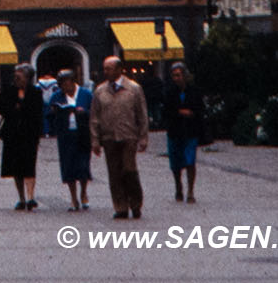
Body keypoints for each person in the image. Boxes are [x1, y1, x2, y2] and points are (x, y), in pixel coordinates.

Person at [91, 55, 149, 219]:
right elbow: (94, 117)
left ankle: (136, 203)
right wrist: (95, 140)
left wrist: (143, 137)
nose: (105, 72)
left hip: (128, 135)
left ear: (119, 69)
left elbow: (142, 114)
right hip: (109, 137)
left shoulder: (133, 88)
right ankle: (120, 206)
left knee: (129, 170)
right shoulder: (100, 91)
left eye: (109, 69)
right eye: (104, 69)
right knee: (114, 173)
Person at [0, 60, 47, 209]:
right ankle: (21, 198)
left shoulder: (35, 92)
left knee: (29, 166)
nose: (16, 79)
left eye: (19, 77)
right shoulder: (8, 91)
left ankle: (31, 197)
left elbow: (37, 112)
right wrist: (14, 108)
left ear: (28, 77)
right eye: (15, 77)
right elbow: (1, 108)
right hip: (12, 134)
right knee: (16, 167)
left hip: (29, 135)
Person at [46, 68, 92, 211]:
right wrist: (54, 113)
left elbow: (95, 112)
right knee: (68, 166)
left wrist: (84, 112)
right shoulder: (57, 96)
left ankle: (83, 192)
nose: (65, 87)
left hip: (83, 134)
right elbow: (49, 115)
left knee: (83, 165)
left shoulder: (85, 95)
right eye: (62, 85)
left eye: (67, 84)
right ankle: (73, 198)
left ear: (73, 82)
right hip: (65, 135)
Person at [161, 63, 204, 203]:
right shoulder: (169, 91)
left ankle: (190, 190)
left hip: (190, 131)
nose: (176, 78)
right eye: (173, 75)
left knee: (190, 160)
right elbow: (166, 111)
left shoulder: (194, 91)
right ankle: (178, 185)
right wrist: (179, 112)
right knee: (175, 163)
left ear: (185, 75)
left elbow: (200, 109)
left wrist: (192, 114)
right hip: (175, 131)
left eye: (178, 75)